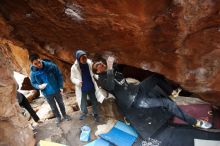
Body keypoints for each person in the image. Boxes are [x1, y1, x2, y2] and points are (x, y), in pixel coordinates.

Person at [92, 56, 212, 129]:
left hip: (137, 89)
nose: (101, 65)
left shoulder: (112, 71)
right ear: (96, 71)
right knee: (167, 103)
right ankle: (195, 122)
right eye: (98, 66)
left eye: (101, 63)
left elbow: (119, 65)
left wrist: (114, 59)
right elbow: (111, 85)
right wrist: (109, 67)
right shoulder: (102, 80)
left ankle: (173, 92)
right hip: (135, 101)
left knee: (156, 76)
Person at [29, 54, 71, 124]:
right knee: (53, 106)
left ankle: (65, 115)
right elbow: (33, 83)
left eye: (39, 62)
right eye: (35, 64)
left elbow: (59, 76)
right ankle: (58, 117)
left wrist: (61, 87)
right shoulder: (33, 73)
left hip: (56, 89)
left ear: (40, 59)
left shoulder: (51, 66)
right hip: (46, 92)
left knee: (61, 103)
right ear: (32, 64)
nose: (38, 65)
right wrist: (39, 86)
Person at [70, 50, 105, 122]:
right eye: (82, 58)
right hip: (82, 87)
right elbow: (72, 78)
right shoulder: (74, 67)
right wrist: (77, 82)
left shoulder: (89, 63)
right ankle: (84, 113)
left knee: (94, 100)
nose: (84, 60)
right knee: (83, 101)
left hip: (91, 85)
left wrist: (98, 77)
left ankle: (95, 114)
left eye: (85, 58)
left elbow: (94, 72)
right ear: (78, 58)